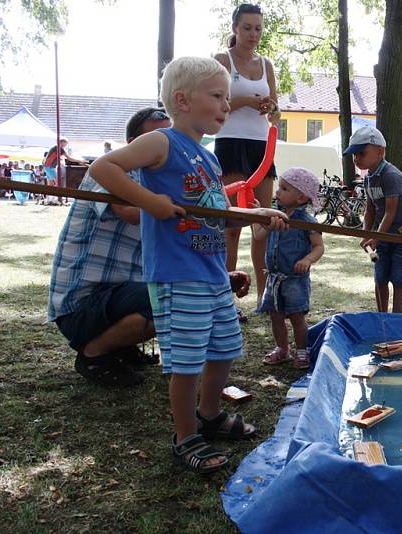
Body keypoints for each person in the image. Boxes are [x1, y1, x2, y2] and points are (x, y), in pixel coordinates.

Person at [89, 56, 288, 474]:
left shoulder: (208, 158)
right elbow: (103, 168)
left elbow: (213, 211)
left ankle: (210, 415)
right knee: (187, 363)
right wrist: (151, 202)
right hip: (179, 276)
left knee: (223, 351)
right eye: (217, 97)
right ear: (182, 100)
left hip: (211, 272)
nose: (225, 105)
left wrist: (253, 215)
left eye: (225, 98)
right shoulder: (163, 142)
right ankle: (185, 437)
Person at [49, 107, 255, 388]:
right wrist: (171, 200)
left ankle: (117, 346)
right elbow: (132, 212)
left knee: (180, 292)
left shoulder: (174, 171)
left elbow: (194, 227)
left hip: (120, 295)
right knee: (177, 297)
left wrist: (245, 222)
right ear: (136, 143)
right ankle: (94, 354)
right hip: (81, 307)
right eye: (159, 136)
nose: (169, 141)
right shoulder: (117, 171)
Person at [214, 3, 281, 315]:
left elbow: (277, 109)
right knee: (232, 224)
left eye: (258, 28)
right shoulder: (221, 60)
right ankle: (225, 298)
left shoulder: (267, 64)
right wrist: (245, 101)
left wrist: (270, 107)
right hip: (229, 143)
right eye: (247, 28)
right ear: (235, 28)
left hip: (260, 147)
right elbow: (217, 101)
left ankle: (264, 298)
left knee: (262, 222)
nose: (253, 34)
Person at [254, 168, 325, 369]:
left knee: (296, 316)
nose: (278, 192)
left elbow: (319, 246)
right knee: (275, 316)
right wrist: (259, 215)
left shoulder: (306, 221)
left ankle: (302, 351)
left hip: (295, 278)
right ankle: (282, 349)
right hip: (274, 278)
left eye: (284, 189)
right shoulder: (274, 215)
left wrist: (308, 259)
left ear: (301, 197)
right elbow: (258, 236)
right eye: (279, 187)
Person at [346, 126, 402, 313]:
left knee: (399, 279)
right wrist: (366, 233)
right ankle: (381, 316)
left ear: (380, 152)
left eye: (361, 153)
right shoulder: (369, 177)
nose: (356, 159)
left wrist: (376, 237)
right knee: (380, 278)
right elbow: (370, 210)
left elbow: (390, 211)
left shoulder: (391, 176)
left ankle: (397, 317)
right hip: (382, 232)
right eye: (354, 155)